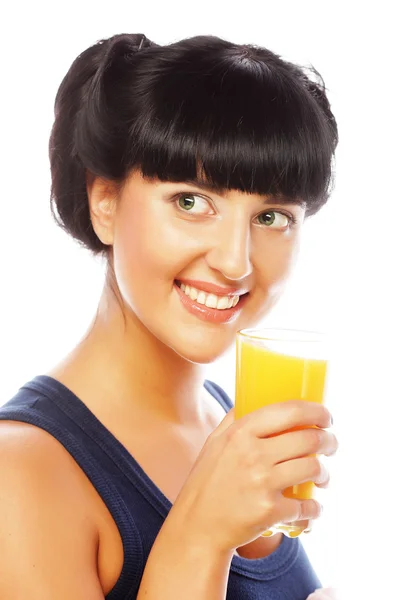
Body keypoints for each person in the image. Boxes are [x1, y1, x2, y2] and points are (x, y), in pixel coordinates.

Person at [0, 33, 339, 599]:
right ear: (104, 202)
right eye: (191, 202)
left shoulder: (228, 422)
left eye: (273, 215)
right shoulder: (23, 476)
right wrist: (200, 538)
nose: (235, 261)